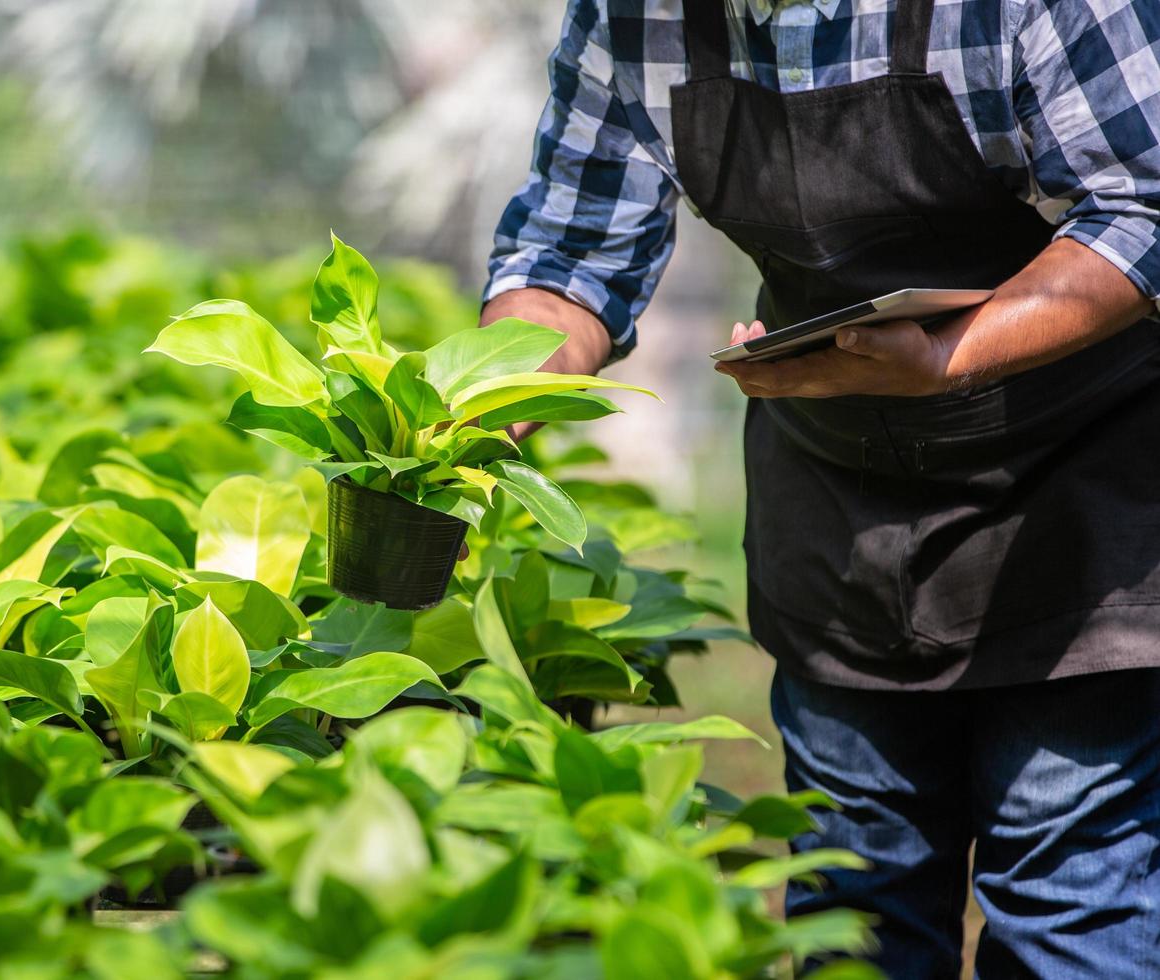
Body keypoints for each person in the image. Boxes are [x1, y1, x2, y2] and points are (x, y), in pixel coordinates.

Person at [481, 0, 1160, 975]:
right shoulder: (634, 17)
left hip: (1075, 505)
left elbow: (1143, 204)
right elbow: (571, 251)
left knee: (1069, 915)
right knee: (857, 908)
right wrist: (481, 402)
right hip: (838, 510)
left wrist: (943, 359)